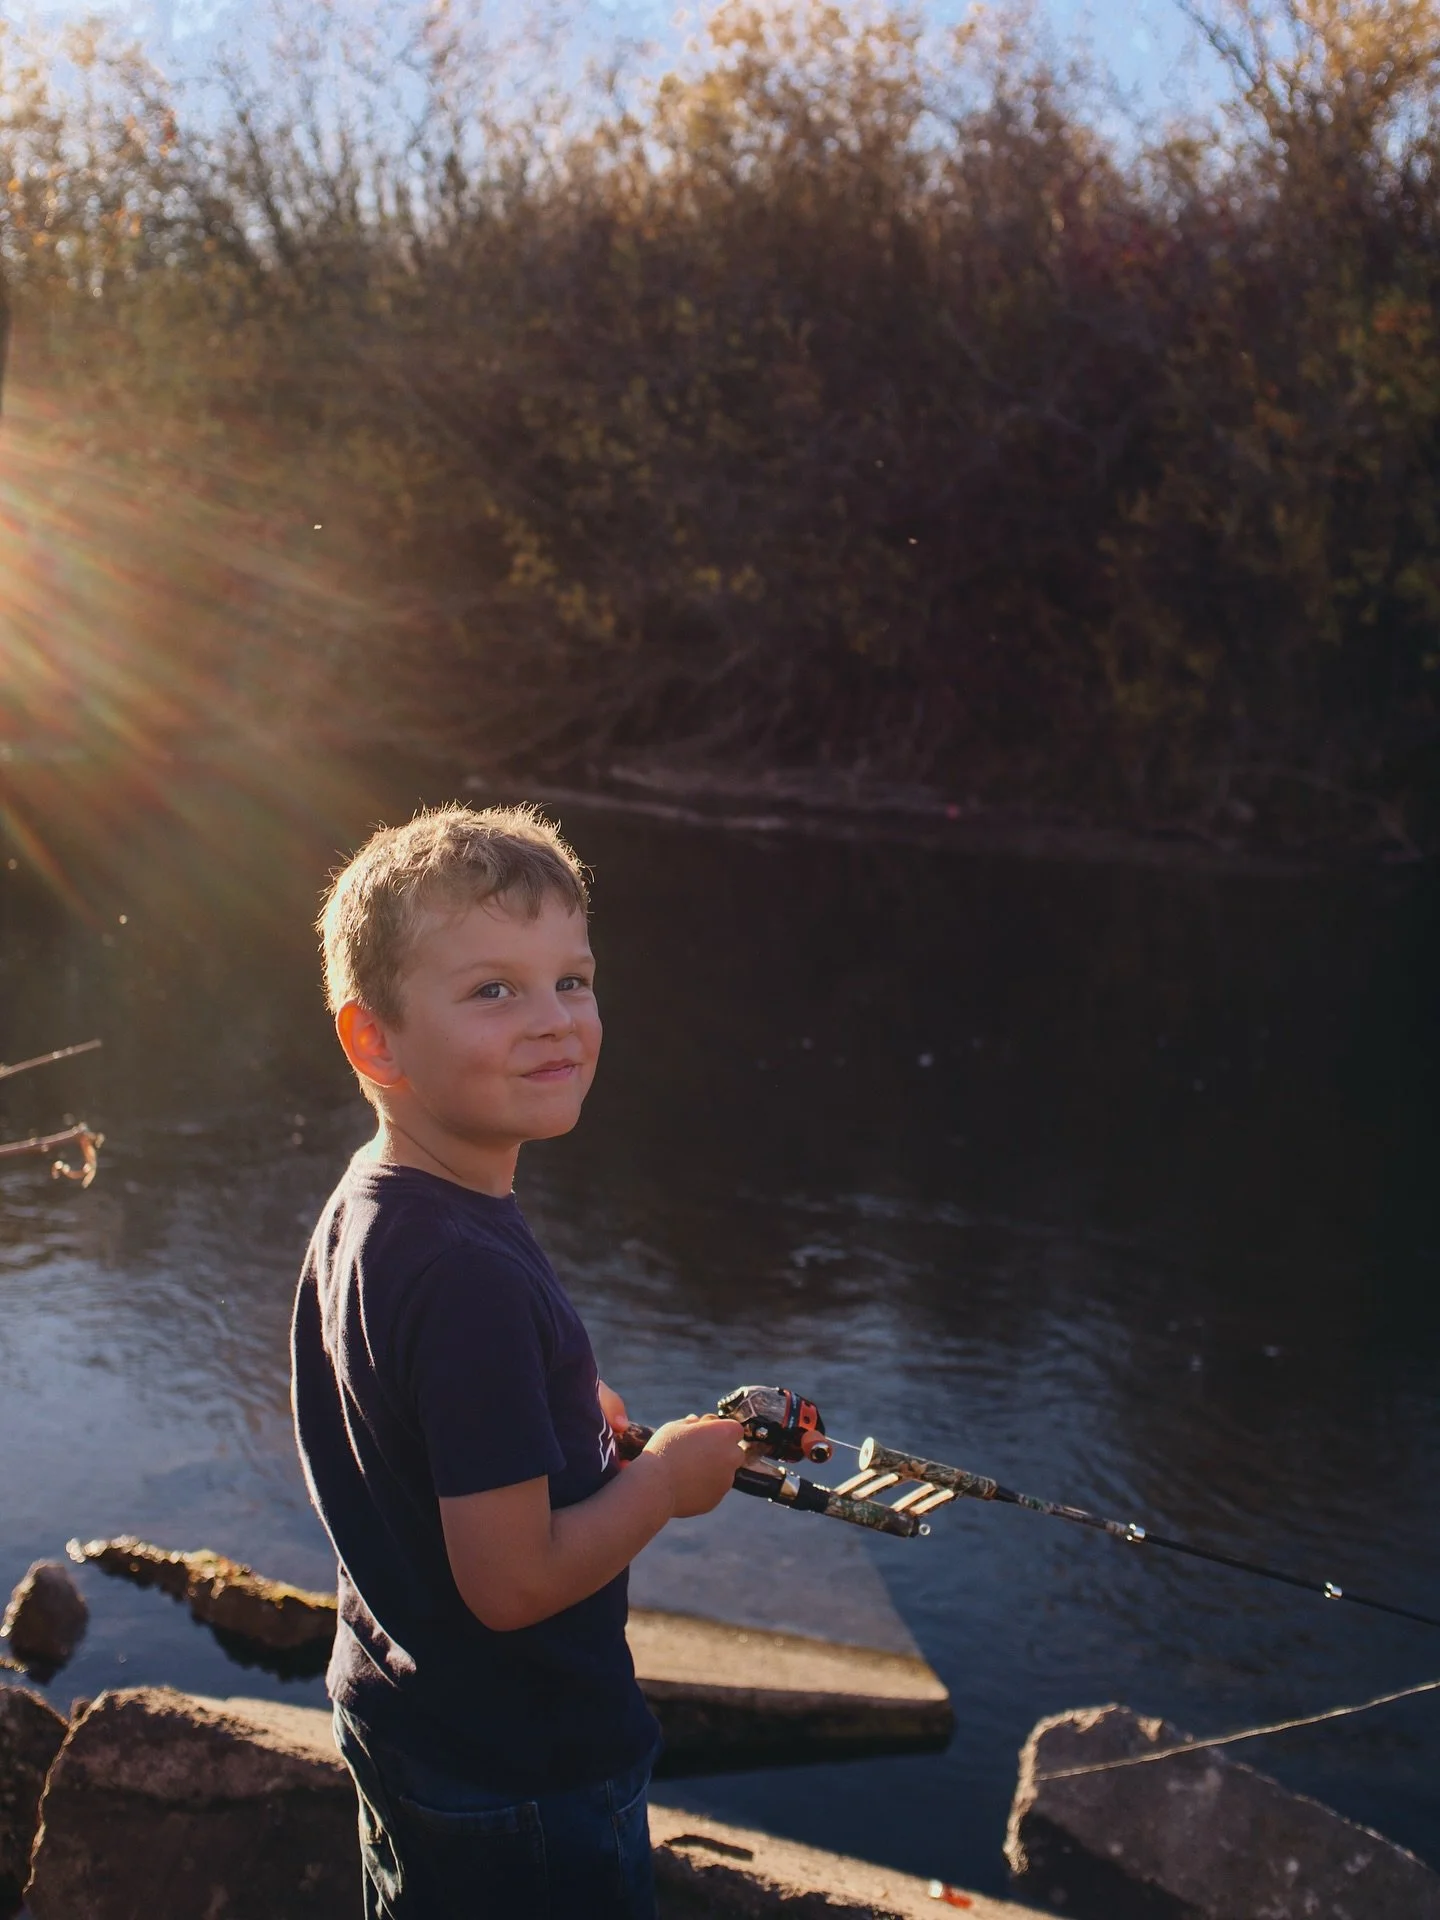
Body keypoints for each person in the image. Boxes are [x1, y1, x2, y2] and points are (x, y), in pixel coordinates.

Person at [291, 802, 749, 1918]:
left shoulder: (381, 1202)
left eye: (571, 981)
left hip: (408, 1714)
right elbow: (513, 1583)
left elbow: (402, 1415)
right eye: (494, 990)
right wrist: (663, 1486)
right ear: (375, 1041)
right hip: (523, 1777)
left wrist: (573, 1423)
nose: (554, 1021)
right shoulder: (469, 1277)